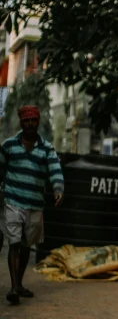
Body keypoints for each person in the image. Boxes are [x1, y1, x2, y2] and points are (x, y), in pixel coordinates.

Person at [0, 105, 64, 304]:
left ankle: (18, 283)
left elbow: (55, 170)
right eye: (26, 121)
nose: (29, 124)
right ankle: (12, 288)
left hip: (35, 205)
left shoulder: (47, 149)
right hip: (13, 201)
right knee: (14, 243)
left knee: (27, 245)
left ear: (38, 122)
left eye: (33, 120)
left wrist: (58, 188)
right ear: (21, 123)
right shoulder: (9, 145)